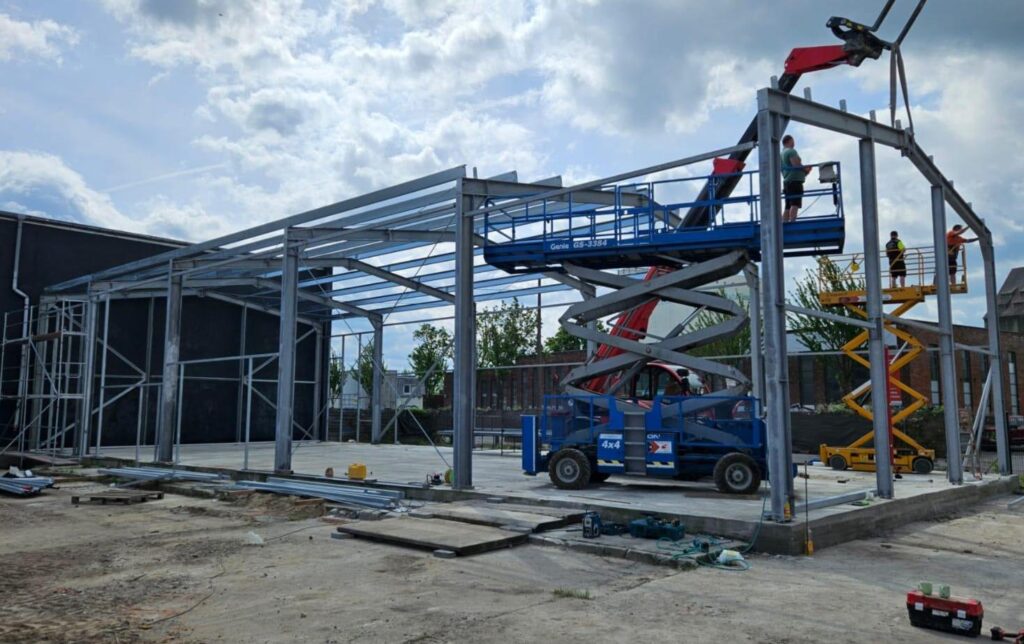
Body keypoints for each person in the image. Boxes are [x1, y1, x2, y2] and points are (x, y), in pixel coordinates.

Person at [781, 134, 812, 223]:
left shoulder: (781, 154)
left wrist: (805, 172)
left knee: (787, 205)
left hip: (787, 181)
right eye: (793, 141)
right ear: (789, 141)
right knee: (795, 203)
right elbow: (796, 165)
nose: (794, 143)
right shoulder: (791, 151)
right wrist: (806, 170)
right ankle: (792, 222)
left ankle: (784, 223)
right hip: (795, 182)